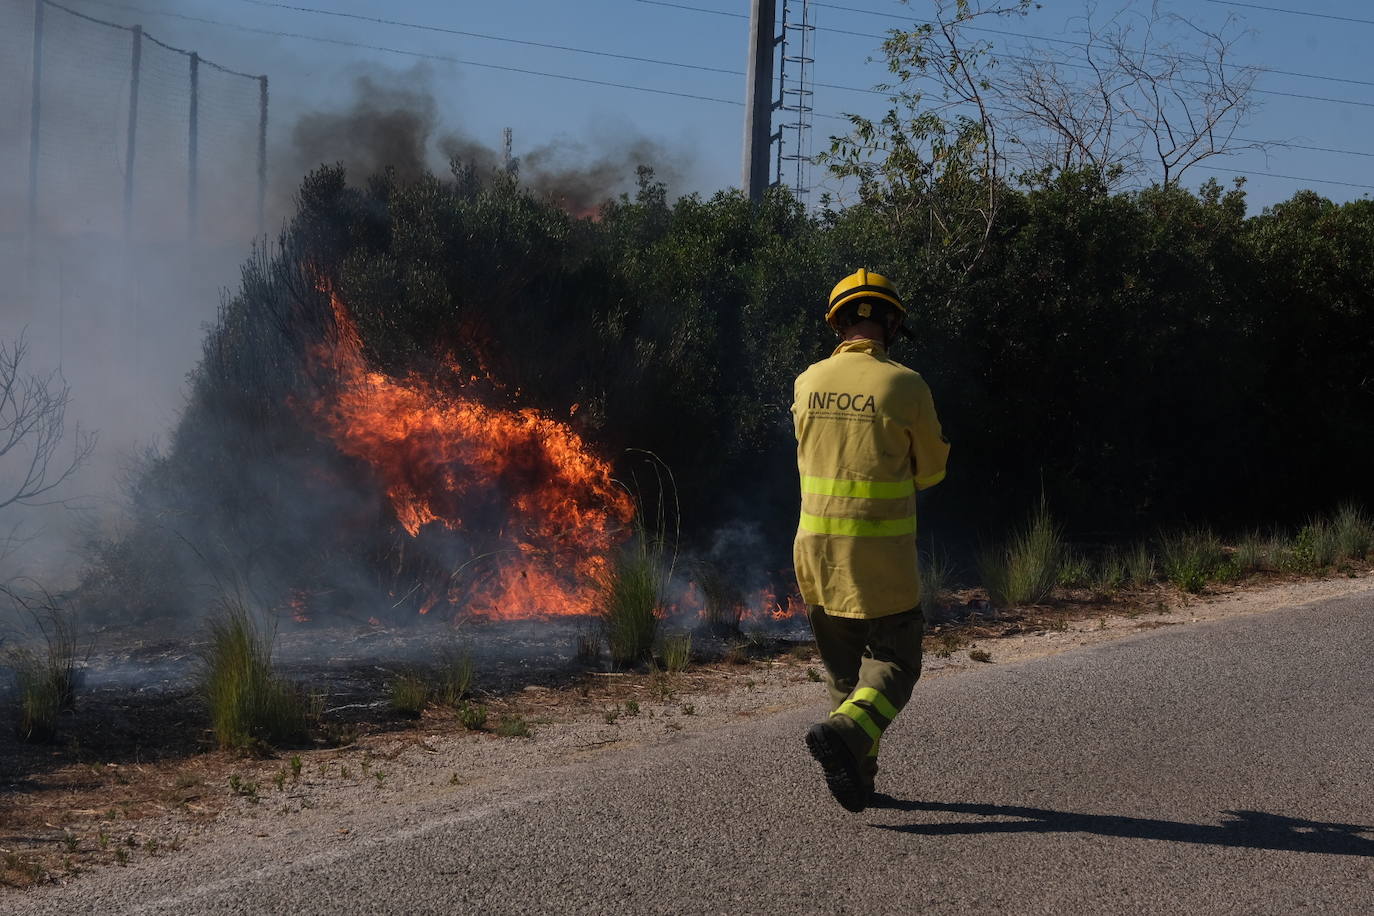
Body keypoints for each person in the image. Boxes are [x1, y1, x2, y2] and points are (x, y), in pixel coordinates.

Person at [792, 268, 949, 813]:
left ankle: (859, 775)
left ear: (837, 322)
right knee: (897, 664)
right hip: (878, 557)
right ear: (892, 321)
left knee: (845, 675)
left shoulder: (806, 381)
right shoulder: (904, 384)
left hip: (815, 553)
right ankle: (847, 741)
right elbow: (930, 473)